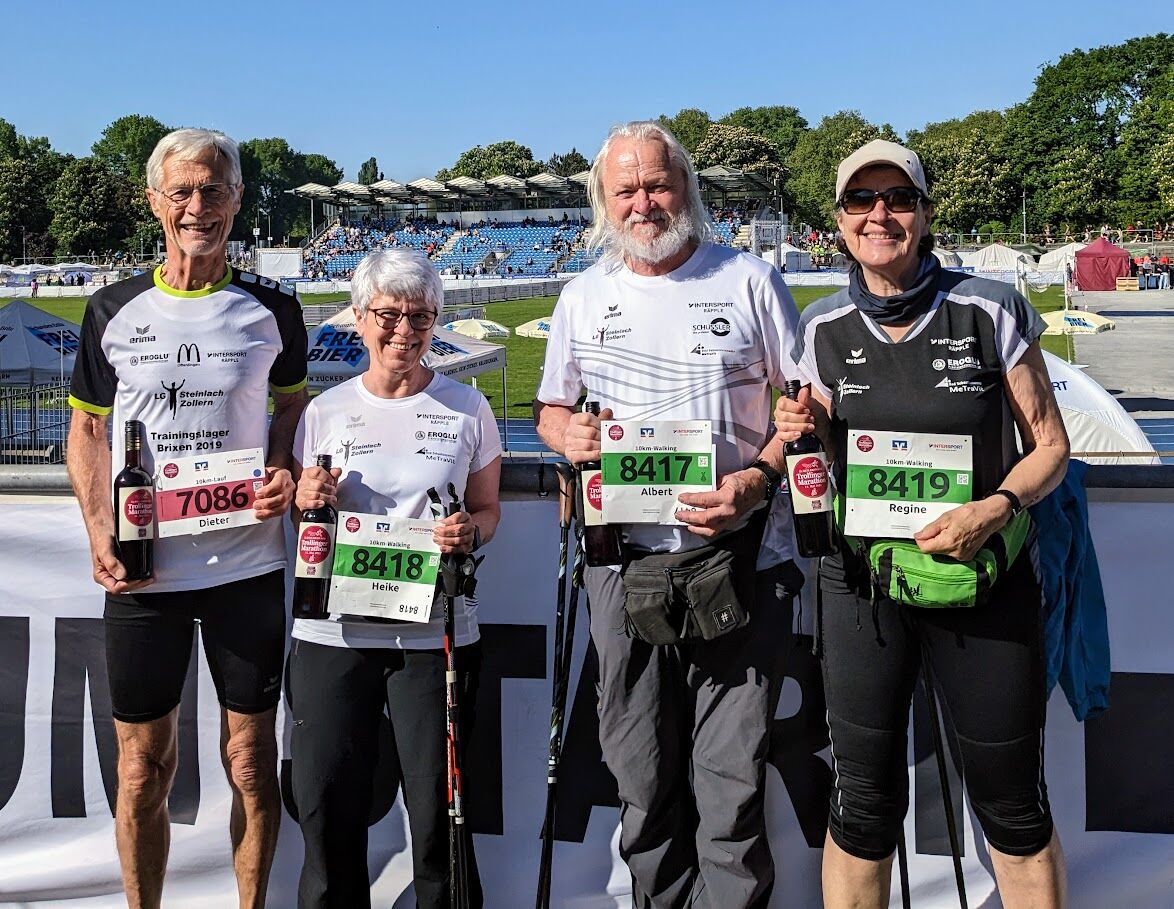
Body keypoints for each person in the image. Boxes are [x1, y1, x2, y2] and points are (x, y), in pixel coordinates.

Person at [775, 139, 1070, 908]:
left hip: (982, 578)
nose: (880, 215)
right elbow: (815, 448)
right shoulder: (821, 325)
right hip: (863, 586)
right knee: (863, 805)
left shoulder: (991, 306)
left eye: (898, 198)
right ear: (837, 220)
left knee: (1011, 803)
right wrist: (799, 425)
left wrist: (995, 507)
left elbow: (1051, 449)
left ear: (926, 212)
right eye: (861, 201)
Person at [534, 120, 804, 908]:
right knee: (642, 779)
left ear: (686, 188)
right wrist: (567, 432)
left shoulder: (750, 278)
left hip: (742, 553)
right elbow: (553, 410)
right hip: (622, 562)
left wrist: (757, 480)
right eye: (628, 188)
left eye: (659, 183)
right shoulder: (583, 295)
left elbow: (804, 405)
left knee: (731, 785)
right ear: (604, 202)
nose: (645, 201)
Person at [67, 128, 308, 909]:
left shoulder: (274, 310)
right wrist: (99, 525)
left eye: (213, 190)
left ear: (237, 200)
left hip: (246, 566)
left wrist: (284, 464)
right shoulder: (111, 308)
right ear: (154, 202)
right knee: (142, 767)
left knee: (248, 758)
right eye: (182, 191)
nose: (197, 207)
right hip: (145, 569)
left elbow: (292, 407)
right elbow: (89, 430)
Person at [290, 248, 501, 908]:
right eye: (389, 313)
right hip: (334, 636)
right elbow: (303, 512)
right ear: (357, 317)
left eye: (422, 316)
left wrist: (470, 530)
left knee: (440, 822)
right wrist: (304, 496)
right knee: (326, 813)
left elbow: (487, 510)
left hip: (431, 637)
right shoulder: (324, 412)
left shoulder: (468, 408)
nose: (404, 330)